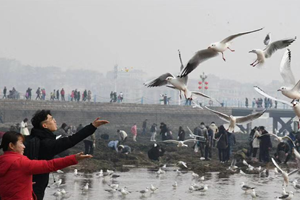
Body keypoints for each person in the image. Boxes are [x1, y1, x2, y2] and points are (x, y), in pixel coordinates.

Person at [29, 110, 109, 200]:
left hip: (27, 183)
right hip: (34, 185)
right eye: (51, 119)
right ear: (44, 125)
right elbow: (71, 140)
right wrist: (92, 127)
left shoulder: (31, 140)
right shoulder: (47, 144)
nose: (55, 121)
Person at [0, 131, 92, 200]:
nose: (24, 146)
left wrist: (23, 183)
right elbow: (49, 165)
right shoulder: (21, 162)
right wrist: (73, 158)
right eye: (21, 143)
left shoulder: (2, 160)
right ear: (11, 146)